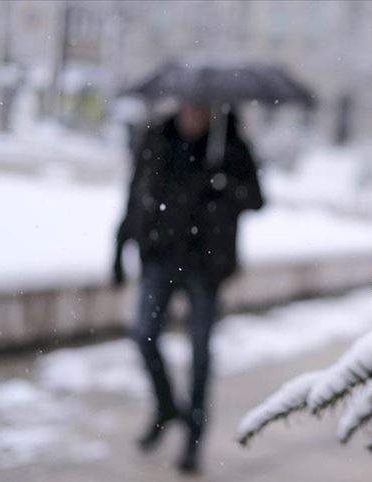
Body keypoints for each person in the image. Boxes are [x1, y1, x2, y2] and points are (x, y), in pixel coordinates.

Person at [112, 103, 264, 473]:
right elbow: (135, 194)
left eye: (201, 108)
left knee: (200, 354)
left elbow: (257, 199)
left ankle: (193, 438)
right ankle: (165, 405)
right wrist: (118, 248)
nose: (193, 113)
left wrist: (223, 183)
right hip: (159, 256)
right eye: (188, 105)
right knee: (143, 335)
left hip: (205, 264)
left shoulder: (229, 145)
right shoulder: (157, 138)